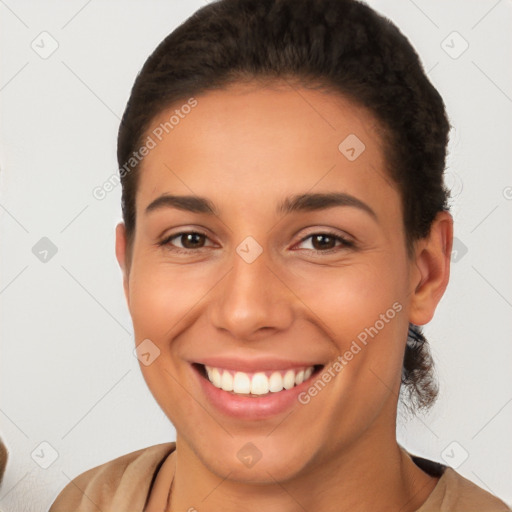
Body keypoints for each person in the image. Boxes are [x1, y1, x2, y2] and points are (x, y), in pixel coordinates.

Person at [49, 0, 511, 510]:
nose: (246, 312)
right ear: (129, 265)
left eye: (322, 241)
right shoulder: (86, 501)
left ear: (425, 273)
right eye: (190, 239)